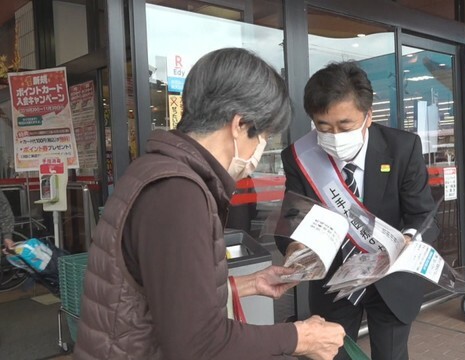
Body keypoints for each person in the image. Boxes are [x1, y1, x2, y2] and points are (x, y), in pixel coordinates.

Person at [74, 48, 344, 360]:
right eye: (264, 136)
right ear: (239, 125)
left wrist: (248, 284)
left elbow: (166, 295)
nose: (261, 149)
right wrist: (301, 337)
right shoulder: (178, 193)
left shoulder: (156, 171)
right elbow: (199, 343)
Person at [277, 61, 435, 360]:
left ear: (368, 116)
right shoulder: (299, 157)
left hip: (391, 280)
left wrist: (411, 238)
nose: (334, 135)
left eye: (345, 125)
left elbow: (423, 214)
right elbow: (293, 217)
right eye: (323, 126)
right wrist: (296, 246)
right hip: (335, 283)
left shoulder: (402, 148)